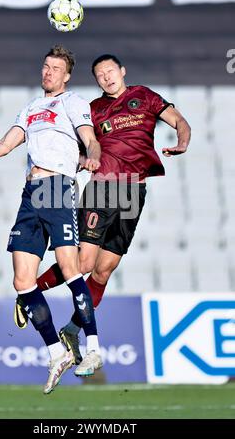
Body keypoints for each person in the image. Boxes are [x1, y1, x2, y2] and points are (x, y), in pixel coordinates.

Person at [0, 45, 104, 393]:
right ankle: (57, 352)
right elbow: (3, 145)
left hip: (58, 187)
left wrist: (91, 156)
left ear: (66, 75)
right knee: (22, 280)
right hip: (31, 194)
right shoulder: (30, 109)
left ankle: (92, 348)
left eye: (55, 68)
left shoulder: (72, 102)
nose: (48, 72)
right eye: (45, 66)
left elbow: (91, 139)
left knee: (70, 267)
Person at [19, 53, 191, 366]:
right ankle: (29, 292)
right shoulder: (94, 109)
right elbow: (81, 143)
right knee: (83, 262)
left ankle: (71, 329)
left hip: (134, 190)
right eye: (100, 75)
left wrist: (182, 142)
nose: (107, 77)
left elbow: (180, 121)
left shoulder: (145, 97)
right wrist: (83, 160)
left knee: (104, 269)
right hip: (103, 188)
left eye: (110, 71)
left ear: (122, 71)